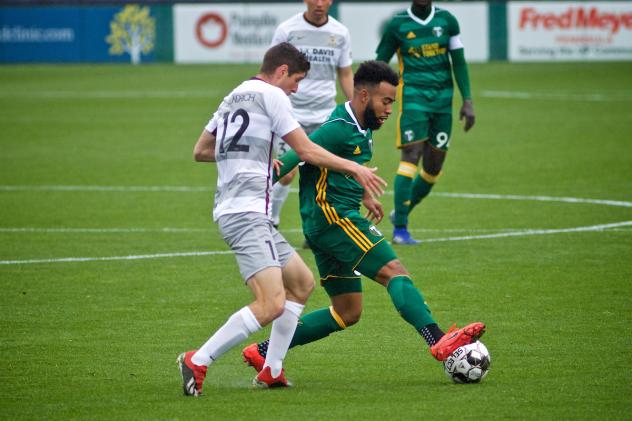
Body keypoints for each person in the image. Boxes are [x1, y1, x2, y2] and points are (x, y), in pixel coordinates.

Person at [240, 60, 485, 378]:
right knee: (394, 271)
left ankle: (262, 352)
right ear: (364, 95)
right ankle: (439, 340)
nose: (389, 110)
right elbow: (301, 153)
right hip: (334, 218)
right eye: (386, 102)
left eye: (393, 103)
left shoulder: (362, 125)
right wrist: (258, 183)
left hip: (324, 223)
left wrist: (363, 191)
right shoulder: (340, 126)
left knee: (347, 311)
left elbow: (335, 162)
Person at [177, 43, 386, 396]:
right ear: (282, 71)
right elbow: (305, 150)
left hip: (247, 212)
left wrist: (255, 158)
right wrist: (354, 167)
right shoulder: (274, 96)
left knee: (302, 283)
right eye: (297, 80)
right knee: (271, 303)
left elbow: (201, 151)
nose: (297, 89)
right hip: (244, 214)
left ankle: (272, 370)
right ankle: (198, 359)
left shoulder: (234, 96)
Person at [376, 0, 476, 245]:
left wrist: (468, 100)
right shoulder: (398, 24)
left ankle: (400, 213)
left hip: (443, 103)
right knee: (411, 156)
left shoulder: (447, 20)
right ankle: (400, 229)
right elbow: (380, 62)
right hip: (413, 101)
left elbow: (459, 62)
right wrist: (376, 98)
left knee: (433, 169)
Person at [269, 0, 354, 232]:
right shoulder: (287, 30)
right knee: (286, 173)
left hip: (324, 117)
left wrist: (356, 108)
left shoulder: (340, 32)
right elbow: (272, 70)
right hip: (290, 115)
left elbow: (345, 73)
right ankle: (271, 220)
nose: (319, 3)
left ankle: (316, 230)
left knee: (321, 175)